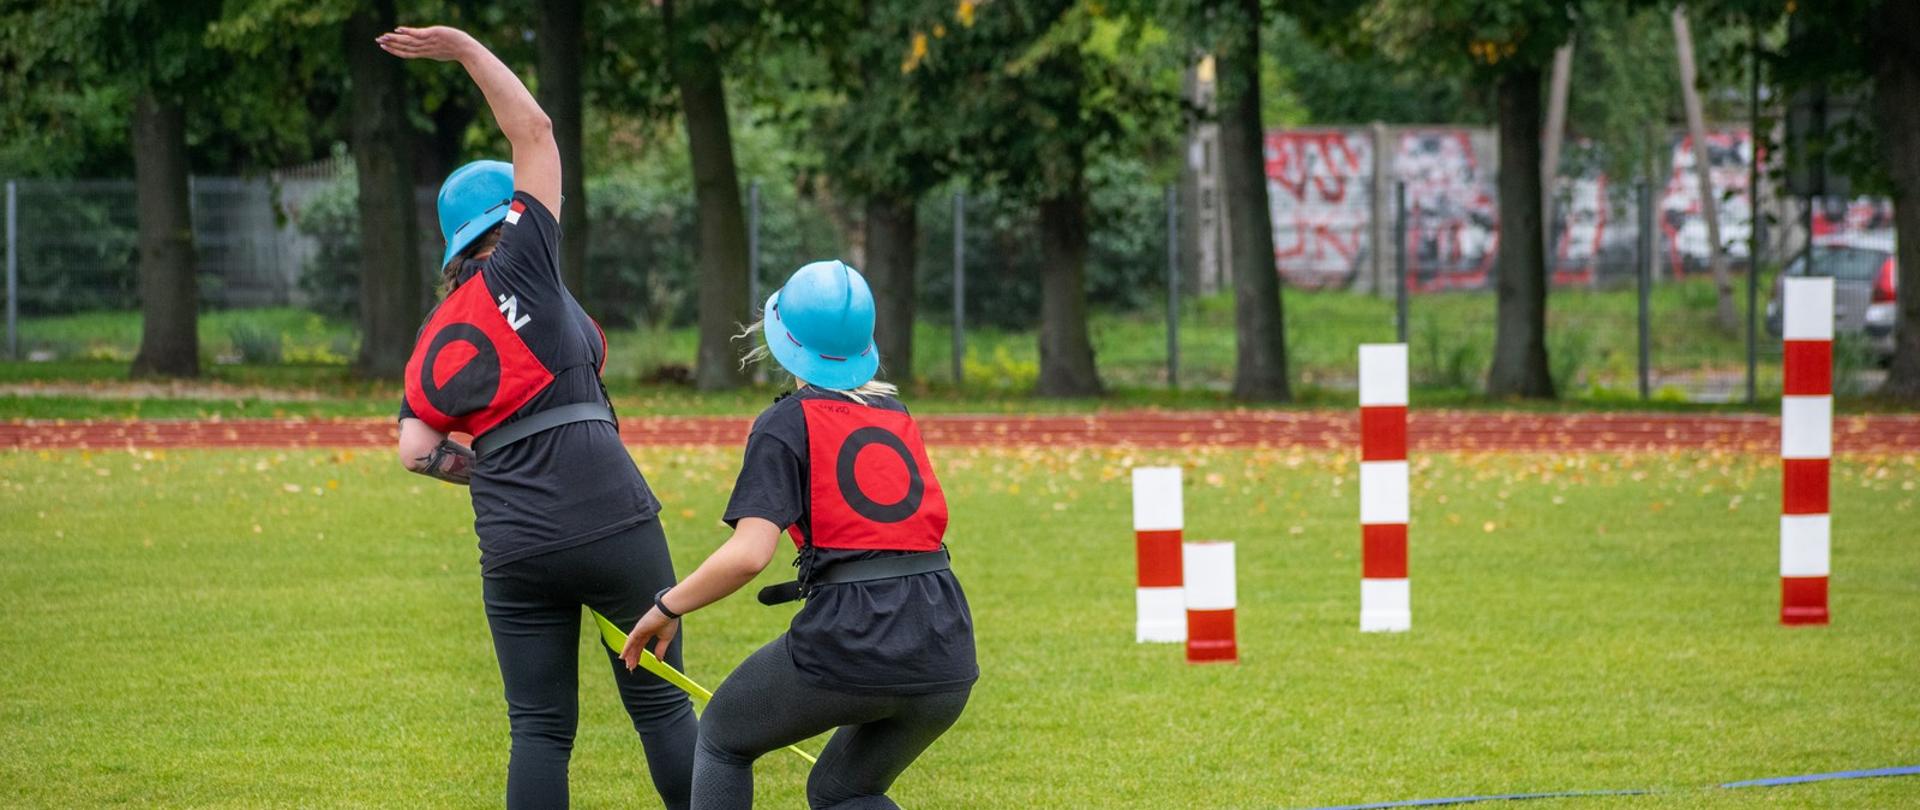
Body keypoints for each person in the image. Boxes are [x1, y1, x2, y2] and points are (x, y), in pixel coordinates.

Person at [379, 25, 694, 809]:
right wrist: (466, 51)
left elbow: (416, 450)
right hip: (610, 515)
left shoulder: (436, 328)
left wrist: (502, 473)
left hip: (513, 539)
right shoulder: (528, 259)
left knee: (540, 730)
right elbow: (536, 132)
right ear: (509, 216)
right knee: (660, 703)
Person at [621, 261, 978, 809]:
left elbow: (749, 554)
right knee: (843, 790)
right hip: (946, 644)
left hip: (857, 636)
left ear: (782, 340)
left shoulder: (785, 421)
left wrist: (667, 607)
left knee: (722, 737)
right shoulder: (894, 412)